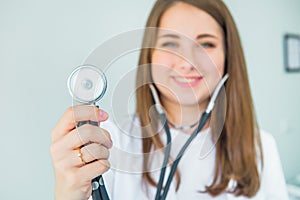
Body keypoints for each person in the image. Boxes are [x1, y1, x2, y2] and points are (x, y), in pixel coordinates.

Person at [50, 0, 289, 199]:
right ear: (150, 54)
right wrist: (68, 192)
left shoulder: (262, 147)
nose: (187, 62)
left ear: (228, 57)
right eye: (171, 43)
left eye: (206, 43)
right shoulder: (108, 142)